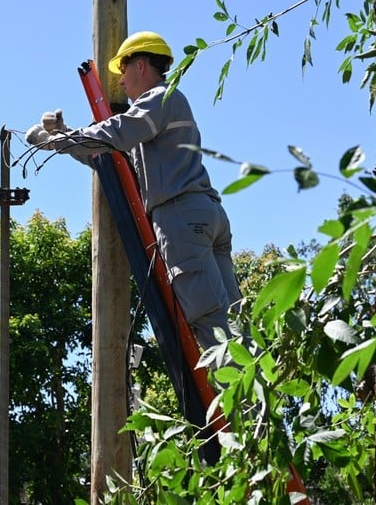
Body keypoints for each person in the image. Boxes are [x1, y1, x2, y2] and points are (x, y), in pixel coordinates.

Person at [29, 31, 241, 351]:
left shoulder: (158, 99)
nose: (122, 83)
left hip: (180, 218)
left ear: (141, 66)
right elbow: (113, 160)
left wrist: (55, 141)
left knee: (211, 324)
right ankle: (253, 394)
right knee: (234, 321)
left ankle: (238, 401)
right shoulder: (158, 114)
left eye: (123, 71)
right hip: (205, 214)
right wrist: (65, 135)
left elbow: (117, 132)